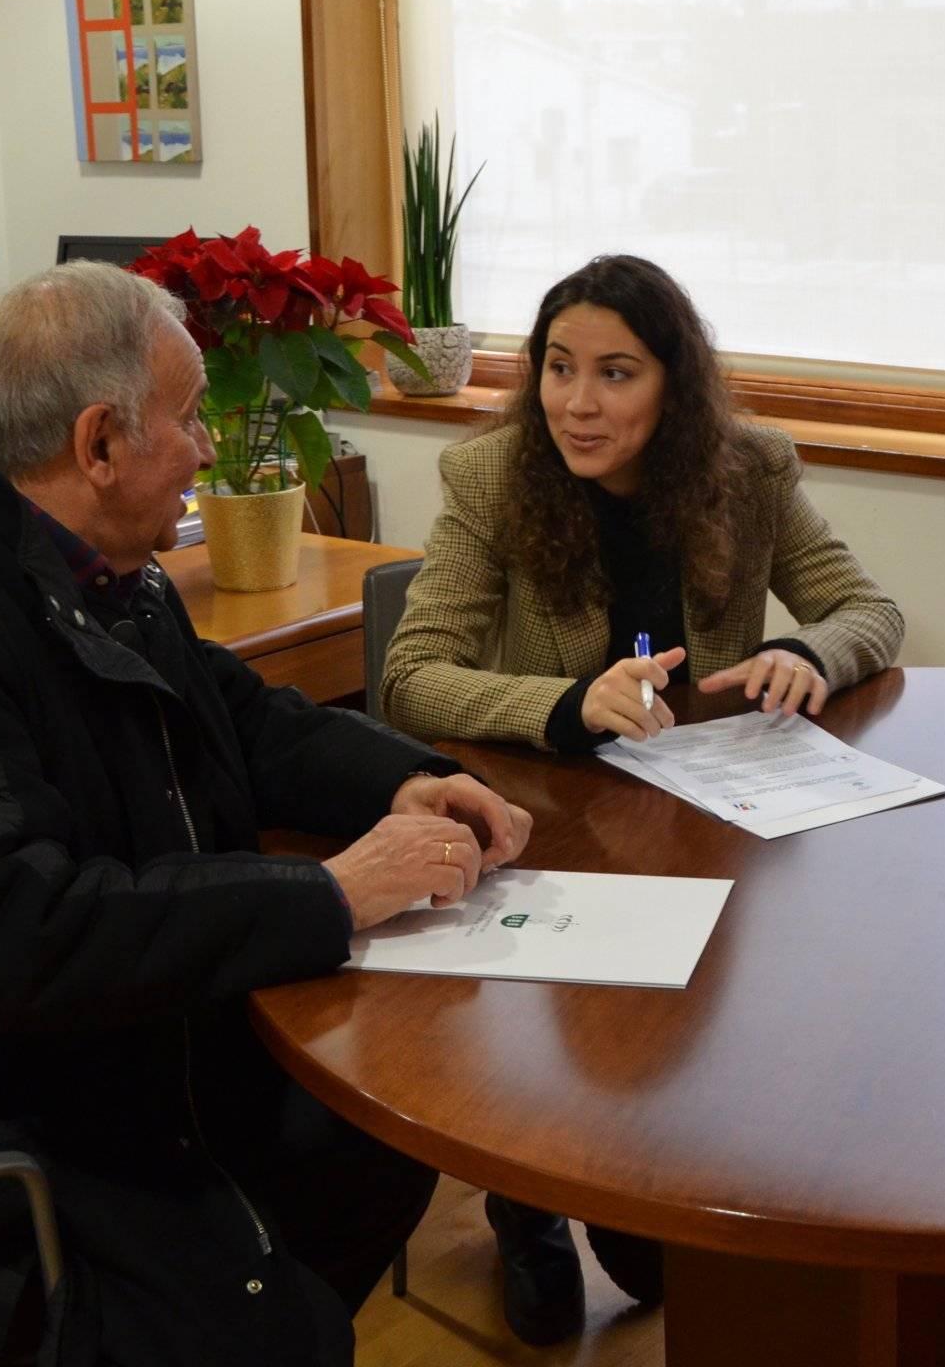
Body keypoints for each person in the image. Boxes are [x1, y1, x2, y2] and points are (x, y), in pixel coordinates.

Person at [0, 262, 532, 1367]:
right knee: (264, 1327)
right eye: (185, 420)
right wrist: (330, 890)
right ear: (97, 444)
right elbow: (18, 933)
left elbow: (237, 718)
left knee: (361, 1146)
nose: (202, 448)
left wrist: (400, 778)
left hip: (65, 1074)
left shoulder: (86, 565)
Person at [380, 252, 904, 1343]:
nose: (578, 401)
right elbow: (413, 671)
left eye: (615, 373)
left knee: (695, 1031)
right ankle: (526, 1204)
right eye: (558, 368)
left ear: (674, 384)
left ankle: (643, 1174)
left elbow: (866, 608)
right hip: (548, 812)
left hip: (705, 816)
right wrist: (568, 700)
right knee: (548, 1037)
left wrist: (810, 651)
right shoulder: (491, 480)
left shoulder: (747, 468)